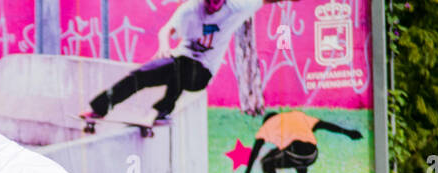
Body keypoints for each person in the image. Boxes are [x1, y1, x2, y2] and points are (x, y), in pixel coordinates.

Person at [85, 0, 299, 124]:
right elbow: (166, 30)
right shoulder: (190, 8)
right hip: (178, 61)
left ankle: (163, 109)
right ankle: (99, 109)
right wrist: (163, 45)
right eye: (210, 3)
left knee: (181, 68)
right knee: (140, 75)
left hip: (202, 73)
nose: (213, 7)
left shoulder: (237, 7)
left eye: (218, 3)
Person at [240, 110, 362, 173]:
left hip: (293, 153)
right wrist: (348, 132)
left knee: (267, 161)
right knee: (296, 153)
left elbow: (256, 149)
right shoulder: (297, 116)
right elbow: (323, 125)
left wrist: (248, 172)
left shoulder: (268, 124)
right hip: (312, 154)